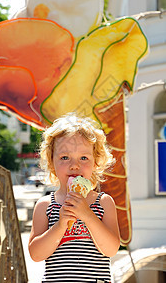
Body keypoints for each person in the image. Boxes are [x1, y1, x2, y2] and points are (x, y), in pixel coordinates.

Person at [28, 113, 120, 283]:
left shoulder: (103, 202)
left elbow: (111, 249)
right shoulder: (45, 205)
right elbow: (36, 254)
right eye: (64, 157)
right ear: (51, 163)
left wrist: (87, 215)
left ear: (96, 162)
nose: (74, 165)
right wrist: (61, 224)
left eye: (84, 158)